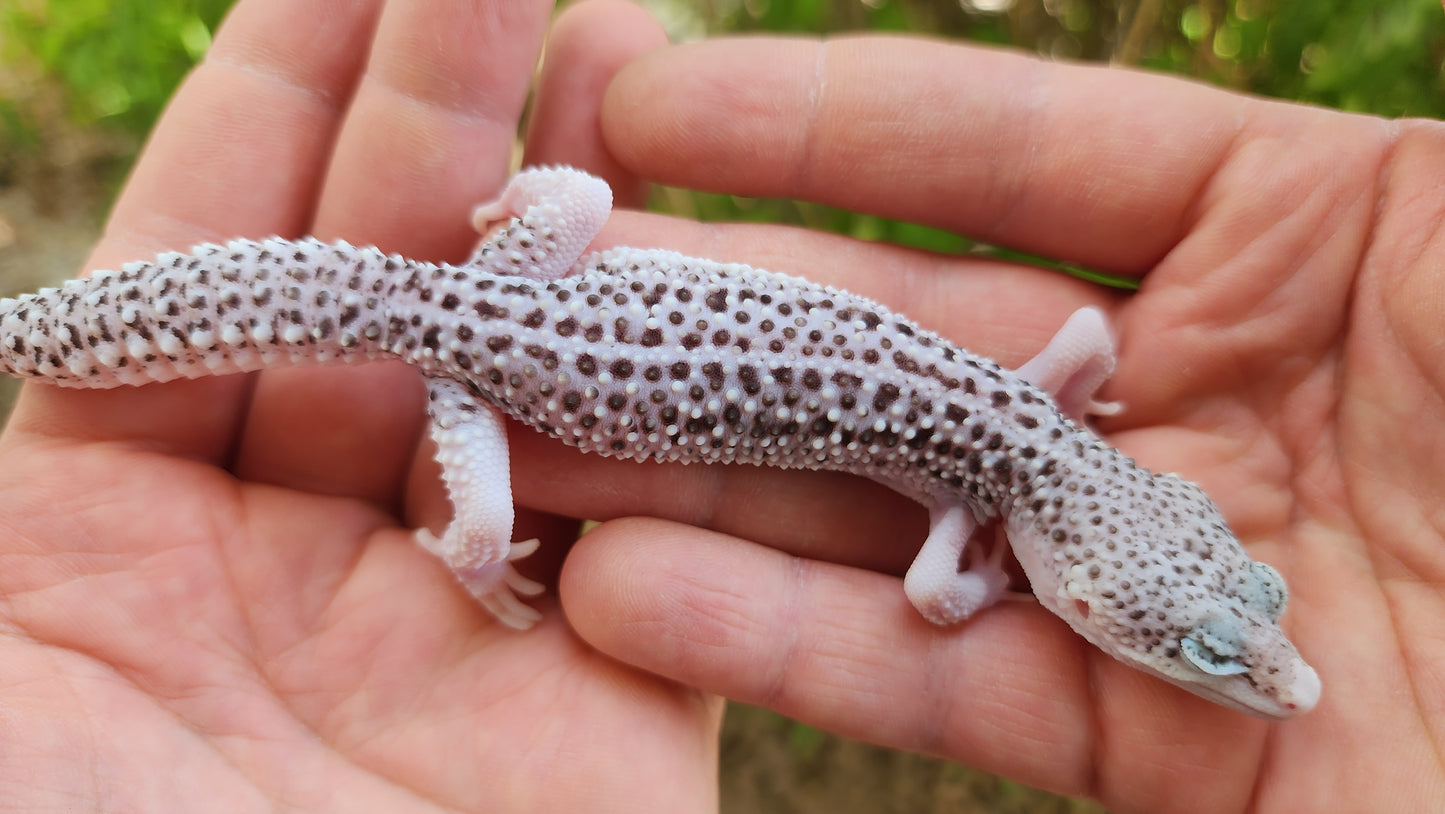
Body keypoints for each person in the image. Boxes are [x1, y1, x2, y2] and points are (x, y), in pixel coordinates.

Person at [0, 0, 1436, 810]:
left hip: (515, 278)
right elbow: (938, 600)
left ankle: (64, 327)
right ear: (1084, 576)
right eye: (1206, 635)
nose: (1268, 670)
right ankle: (461, 546)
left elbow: (1070, 341)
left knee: (582, 192)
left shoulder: (1038, 402)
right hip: (478, 362)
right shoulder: (983, 494)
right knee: (485, 516)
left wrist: (1003, 540)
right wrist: (992, 573)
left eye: (1222, 628)